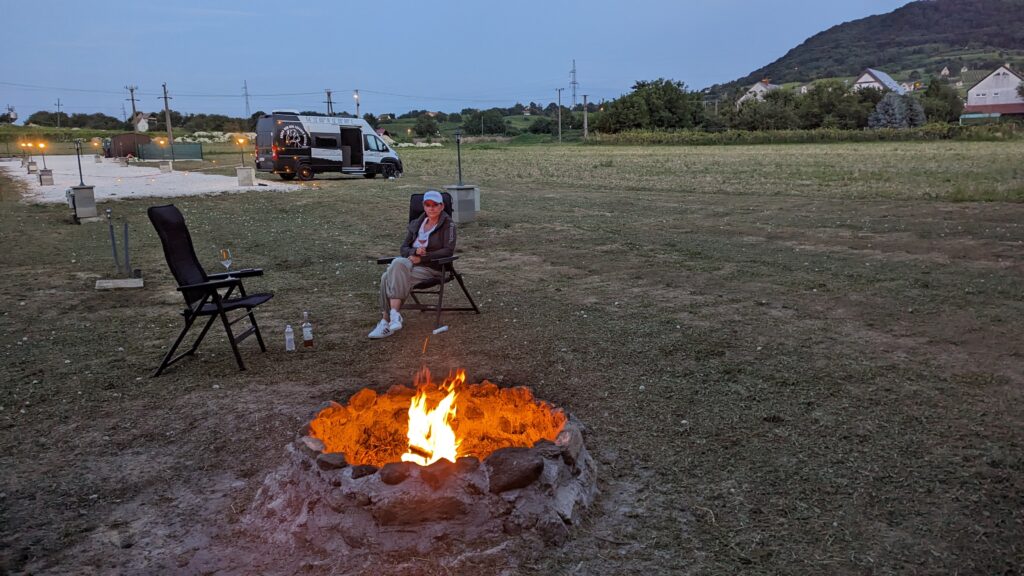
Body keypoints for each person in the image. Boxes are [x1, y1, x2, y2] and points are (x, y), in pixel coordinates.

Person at [369, 190, 456, 339]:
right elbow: (403, 248)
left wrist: (423, 258)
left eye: (435, 204)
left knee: (387, 276)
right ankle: (392, 318)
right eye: (428, 204)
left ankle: (387, 320)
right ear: (424, 206)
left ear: (442, 206)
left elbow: (448, 251)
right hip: (408, 265)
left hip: (433, 268)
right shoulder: (416, 223)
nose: (431, 208)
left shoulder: (449, 225)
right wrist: (415, 251)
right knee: (397, 265)